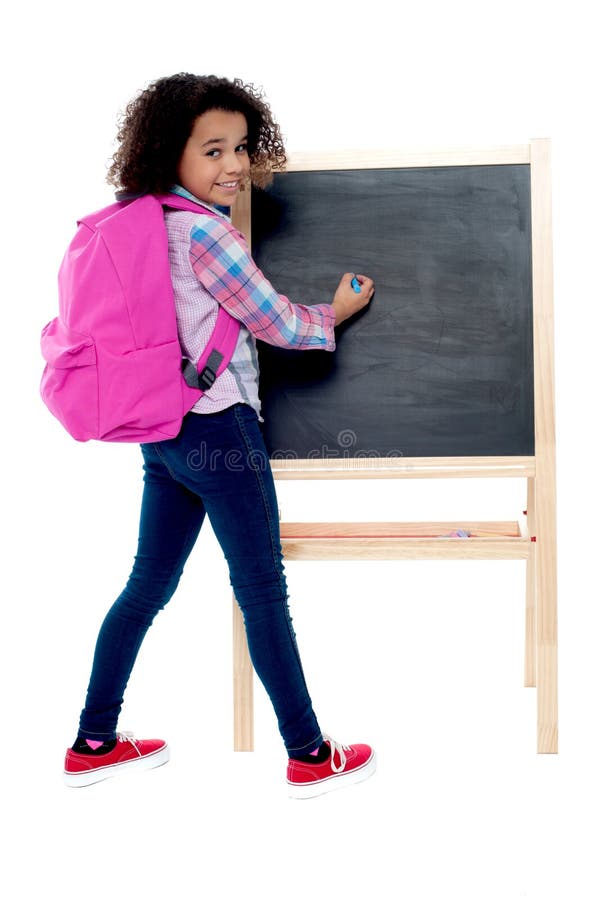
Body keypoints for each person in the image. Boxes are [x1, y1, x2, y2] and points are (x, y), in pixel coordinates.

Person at [63, 73, 376, 799]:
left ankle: (93, 740)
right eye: (213, 150)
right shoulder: (207, 231)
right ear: (169, 153)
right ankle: (307, 753)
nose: (233, 165)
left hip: (165, 432)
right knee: (263, 591)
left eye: (239, 146)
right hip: (223, 433)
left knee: (146, 584)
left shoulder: (145, 221)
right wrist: (335, 311)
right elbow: (275, 322)